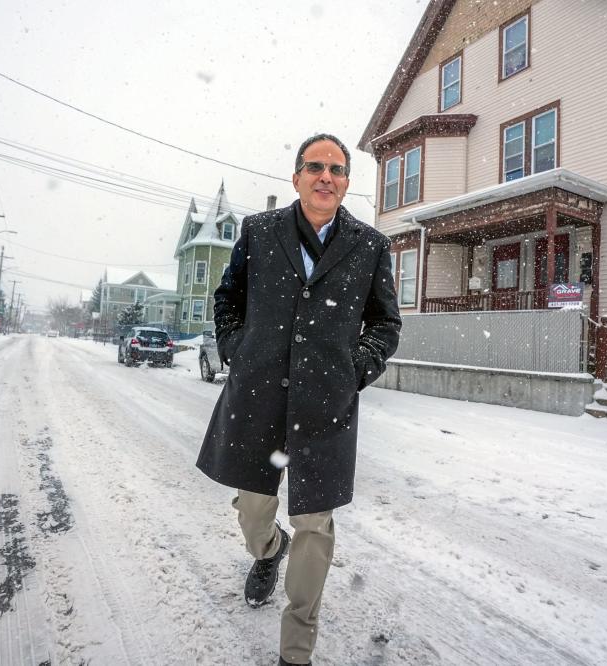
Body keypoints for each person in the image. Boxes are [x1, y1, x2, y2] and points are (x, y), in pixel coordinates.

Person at [197, 133, 401, 665]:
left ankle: (296, 649)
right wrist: (237, 350)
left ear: (347, 183)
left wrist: (352, 371)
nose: (325, 176)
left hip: (325, 407)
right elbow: (228, 298)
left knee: (315, 522)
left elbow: (385, 324)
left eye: (336, 169)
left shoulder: (370, 245)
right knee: (253, 512)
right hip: (259, 395)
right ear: (296, 176)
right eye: (315, 166)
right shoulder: (259, 231)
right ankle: (268, 550)